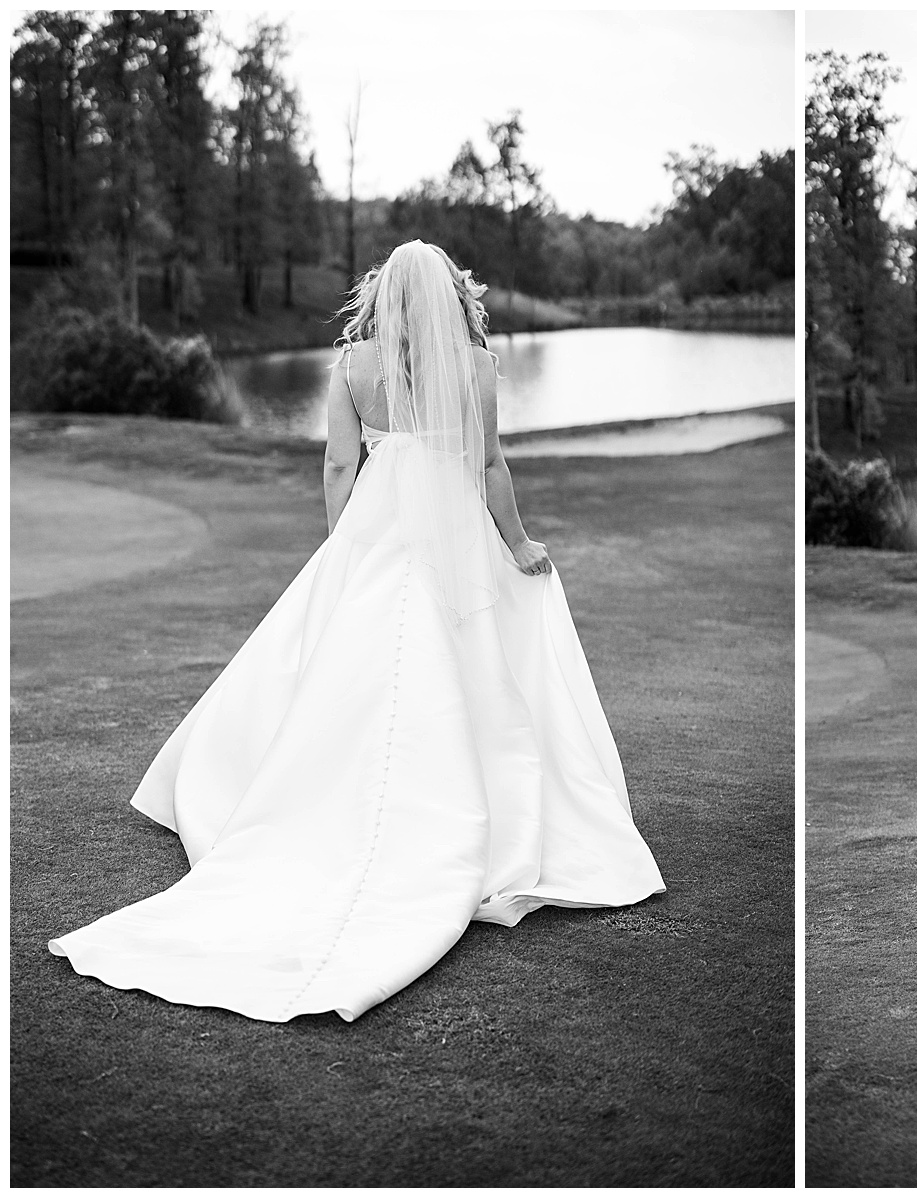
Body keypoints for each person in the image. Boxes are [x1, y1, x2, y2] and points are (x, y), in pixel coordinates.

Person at [48, 241, 665, 1022]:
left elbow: (340, 467)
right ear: (448, 295)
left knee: (355, 672)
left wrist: (343, 548)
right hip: (455, 543)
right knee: (472, 667)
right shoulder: (476, 368)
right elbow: (490, 469)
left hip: (378, 536)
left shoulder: (353, 366)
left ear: (384, 295)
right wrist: (516, 543)